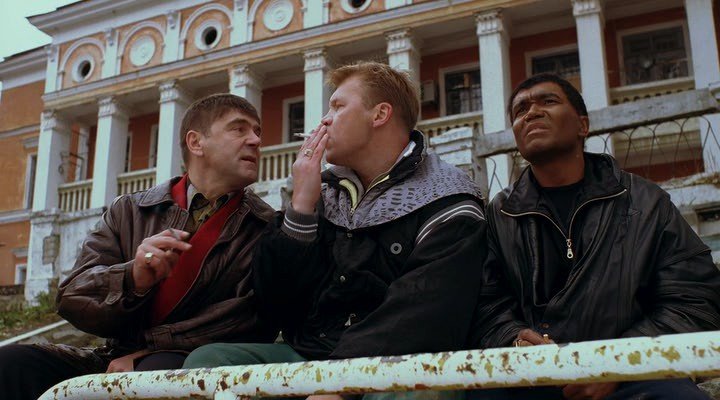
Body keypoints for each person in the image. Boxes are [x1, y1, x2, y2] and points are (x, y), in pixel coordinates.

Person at [184, 62, 519, 399]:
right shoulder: (322, 191)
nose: (325, 120)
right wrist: (301, 206)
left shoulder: (447, 196)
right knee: (209, 362)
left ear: (380, 114)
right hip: (314, 357)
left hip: (396, 365)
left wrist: (340, 383)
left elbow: (424, 315)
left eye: (337, 106)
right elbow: (276, 306)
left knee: (418, 393)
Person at [0, 94, 278, 400]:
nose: (256, 140)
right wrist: (133, 278)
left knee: (155, 372)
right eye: (239, 129)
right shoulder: (130, 210)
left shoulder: (265, 226)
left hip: (191, 364)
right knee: (11, 364)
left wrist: (149, 350)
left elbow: (246, 321)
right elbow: (72, 297)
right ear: (196, 143)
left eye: (258, 132)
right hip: (113, 359)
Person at [469, 73, 720, 400]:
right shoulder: (499, 215)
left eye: (548, 101)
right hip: (532, 378)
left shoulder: (645, 203)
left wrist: (618, 362)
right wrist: (513, 338)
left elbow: (695, 299)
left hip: (634, 374)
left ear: (582, 125)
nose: (531, 113)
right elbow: (484, 304)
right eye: (520, 110)